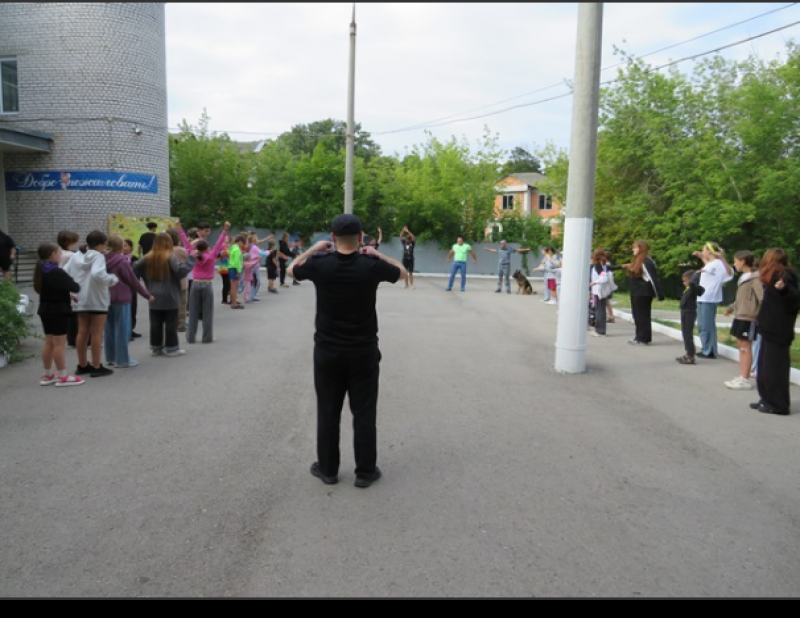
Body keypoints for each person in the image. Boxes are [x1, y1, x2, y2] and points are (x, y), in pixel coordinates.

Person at [288, 214, 406, 488]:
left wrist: (312, 250)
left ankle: (328, 470)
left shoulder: (320, 264)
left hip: (328, 352)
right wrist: (379, 254)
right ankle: (365, 471)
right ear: (362, 237)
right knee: (364, 412)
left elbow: (291, 270)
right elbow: (401, 273)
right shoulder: (371, 265)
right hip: (363, 351)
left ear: (332, 238)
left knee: (328, 411)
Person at [749, 248, 800, 416]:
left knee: (774, 369)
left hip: (778, 330)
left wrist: (783, 290)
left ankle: (778, 405)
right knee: (764, 368)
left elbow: (793, 300)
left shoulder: (785, 276)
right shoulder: (773, 275)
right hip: (769, 327)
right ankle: (767, 399)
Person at [63, 230, 119, 377]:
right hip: (97, 298)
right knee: (97, 332)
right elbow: (97, 274)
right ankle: (96, 366)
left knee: (82, 331)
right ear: (101, 244)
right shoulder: (98, 256)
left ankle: (82, 365)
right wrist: (111, 279)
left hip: (79, 298)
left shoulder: (76, 255)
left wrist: (70, 290)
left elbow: (64, 272)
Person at [133, 232, 196, 357]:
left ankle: (156, 348)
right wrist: (190, 259)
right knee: (171, 323)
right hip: (170, 294)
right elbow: (180, 272)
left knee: (155, 323)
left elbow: (134, 270)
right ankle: (171, 348)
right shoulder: (170, 257)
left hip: (152, 294)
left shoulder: (147, 257)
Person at [33, 242, 84, 387]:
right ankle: (63, 376)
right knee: (59, 344)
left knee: (48, 342)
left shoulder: (41, 270)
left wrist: (67, 295)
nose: (61, 256)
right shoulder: (57, 272)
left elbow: (50, 289)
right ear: (53, 255)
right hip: (59, 310)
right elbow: (75, 286)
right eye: (59, 253)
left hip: (45, 309)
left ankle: (48, 374)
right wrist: (70, 291)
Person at [103, 235, 154, 369]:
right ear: (120, 246)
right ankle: (123, 359)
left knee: (109, 328)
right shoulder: (122, 262)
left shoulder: (102, 259)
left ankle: (110, 357)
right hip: (122, 298)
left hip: (106, 297)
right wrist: (147, 295)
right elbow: (133, 281)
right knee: (122, 329)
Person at [179, 221, 230, 344]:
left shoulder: (193, 254)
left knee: (193, 312)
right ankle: (207, 337)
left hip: (195, 284)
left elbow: (186, 243)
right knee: (207, 312)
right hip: (207, 284)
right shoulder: (211, 255)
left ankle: (191, 337)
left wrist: (179, 229)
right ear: (207, 248)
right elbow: (219, 244)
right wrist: (225, 230)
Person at [722, 250, 763, 390]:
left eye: (736, 261)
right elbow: (741, 298)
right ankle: (742, 375)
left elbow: (762, 298)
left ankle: (745, 379)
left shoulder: (755, 277)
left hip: (749, 317)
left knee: (746, 347)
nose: (734, 264)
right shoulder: (744, 277)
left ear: (743, 261)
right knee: (741, 347)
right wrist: (731, 307)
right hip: (740, 315)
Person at [616, 239, 664, 346]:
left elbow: (653, 279)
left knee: (643, 316)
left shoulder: (646, 261)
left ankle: (643, 338)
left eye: (635, 247)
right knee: (637, 315)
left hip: (643, 293)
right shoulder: (638, 261)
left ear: (641, 248)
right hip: (637, 292)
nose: (633, 249)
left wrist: (659, 294)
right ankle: (639, 337)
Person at [693, 241, 734, 359]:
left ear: (709, 251)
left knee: (707, 325)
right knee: (701, 325)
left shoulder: (719, 263)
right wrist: (702, 258)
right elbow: (709, 269)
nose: (702, 251)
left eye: (704, 250)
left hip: (709, 298)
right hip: (702, 296)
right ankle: (705, 348)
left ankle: (710, 351)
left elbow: (729, 273)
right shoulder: (712, 263)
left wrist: (723, 259)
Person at [57, 230, 81, 347]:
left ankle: (70, 339)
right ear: (68, 242)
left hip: (61, 285)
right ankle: (74, 339)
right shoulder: (71, 255)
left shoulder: (58, 253)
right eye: (74, 242)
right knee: (74, 315)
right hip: (70, 284)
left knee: (69, 314)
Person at [676, 270, 705, 365]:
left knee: (688, 334)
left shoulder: (693, 288)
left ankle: (690, 356)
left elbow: (692, 282)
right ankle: (688, 353)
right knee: (685, 333)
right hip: (685, 311)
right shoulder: (688, 288)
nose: (684, 283)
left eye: (685, 281)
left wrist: (696, 274)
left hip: (689, 312)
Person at [588, 248, 614, 337]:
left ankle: (599, 330)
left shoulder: (597, 265)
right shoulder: (602, 265)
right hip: (601, 291)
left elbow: (603, 278)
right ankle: (601, 330)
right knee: (601, 310)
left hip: (598, 291)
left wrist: (594, 282)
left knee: (599, 311)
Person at [123, 238, 143, 340]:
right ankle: (125, 332)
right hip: (122, 287)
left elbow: (139, 272)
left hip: (133, 287)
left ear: (131, 247)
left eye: (126, 245)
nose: (123, 247)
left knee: (132, 308)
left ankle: (130, 329)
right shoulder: (119, 258)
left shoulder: (134, 259)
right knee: (124, 310)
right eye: (122, 245)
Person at [227, 233, 247, 309]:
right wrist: (239, 271)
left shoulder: (232, 248)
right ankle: (234, 303)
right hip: (235, 269)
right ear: (240, 241)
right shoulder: (237, 249)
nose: (243, 245)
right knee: (234, 287)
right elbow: (237, 262)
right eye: (243, 243)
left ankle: (233, 301)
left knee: (232, 286)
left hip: (230, 267)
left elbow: (230, 259)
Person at [400, 225, 416, 289]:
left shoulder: (412, 243)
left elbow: (413, 237)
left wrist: (408, 231)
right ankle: (406, 285)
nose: (407, 240)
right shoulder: (404, 242)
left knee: (411, 272)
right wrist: (403, 230)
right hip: (405, 259)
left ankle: (411, 285)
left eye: (409, 239)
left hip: (411, 259)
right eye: (407, 239)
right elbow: (400, 236)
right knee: (405, 272)